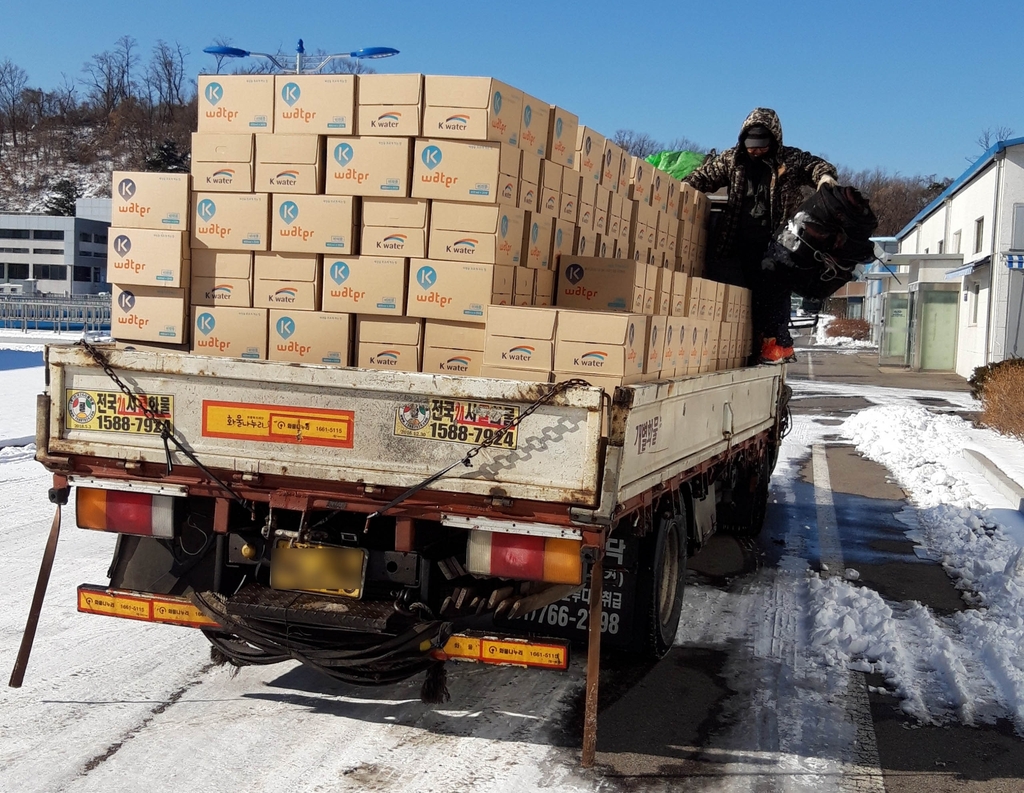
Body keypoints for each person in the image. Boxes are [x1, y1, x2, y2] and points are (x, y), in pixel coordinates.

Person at [684, 108, 837, 364]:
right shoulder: (732, 159)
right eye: (751, 145)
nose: (756, 151)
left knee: (773, 293)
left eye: (762, 146)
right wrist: (684, 187)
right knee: (735, 295)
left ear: (773, 141)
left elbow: (818, 166)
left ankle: (777, 346)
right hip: (736, 240)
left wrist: (825, 178)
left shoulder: (791, 159)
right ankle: (733, 347)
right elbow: (704, 176)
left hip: (776, 242)